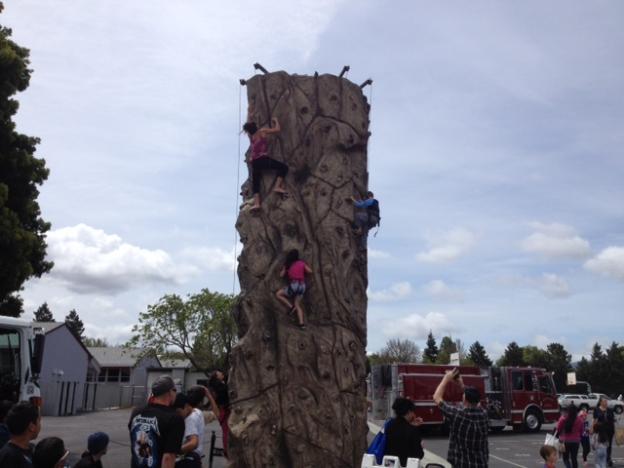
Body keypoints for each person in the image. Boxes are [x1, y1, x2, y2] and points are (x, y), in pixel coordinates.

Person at [433, 368, 489, 468]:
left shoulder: (458, 415)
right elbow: (473, 400)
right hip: (480, 464)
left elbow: (436, 397)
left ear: (465, 399)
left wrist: (446, 378)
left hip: (461, 464)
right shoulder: (484, 415)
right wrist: (461, 385)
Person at [128, 375, 185, 468]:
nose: (176, 394)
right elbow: (168, 458)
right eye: (175, 390)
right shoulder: (174, 418)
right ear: (170, 392)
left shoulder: (136, 412)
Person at [242, 115, 288, 211]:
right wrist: (275, 121)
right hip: (262, 159)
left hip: (254, 162)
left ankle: (257, 204)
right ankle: (277, 187)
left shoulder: (252, 137)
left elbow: (249, 123)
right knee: (283, 167)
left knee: (256, 183)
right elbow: (277, 129)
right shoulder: (262, 132)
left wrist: (249, 113)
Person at [275, 249, 313, 330]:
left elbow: (281, 275)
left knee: (278, 294)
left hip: (294, 285)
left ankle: (291, 307)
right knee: (297, 304)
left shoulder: (288, 265)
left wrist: (284, 269)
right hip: (302, 286)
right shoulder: (301, 263)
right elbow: (310, 271)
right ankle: (301, 324)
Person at [384, 397, 424, 467]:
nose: (414, 415)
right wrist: (421, 446)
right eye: (412, 412)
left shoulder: (389, 426)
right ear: (408, 412)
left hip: (390, 464)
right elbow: (419, 455)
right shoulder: (412, 430)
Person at [0, 401, 41, 467]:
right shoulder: (10, 457)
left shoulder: (31, 449)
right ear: (31, 427)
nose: (40, 425)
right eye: (39, 421)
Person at [556, 403, 585, 468]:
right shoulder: (580, 420)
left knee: (565, 458)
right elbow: (582, 431)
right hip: (576, 441)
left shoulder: (563, 418)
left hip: (564, 441)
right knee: (574, 458)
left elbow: (558, 429)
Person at [208, 371, 230, 458]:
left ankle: (226, 449)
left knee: (225, 430)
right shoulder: (219, 386)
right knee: (226, 430)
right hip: (224, 409)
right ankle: (226, 450)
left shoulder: (214, 386)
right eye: (220, 373)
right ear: (216, 376)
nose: (222, 374)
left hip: (222, 410)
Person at [593, 397, 615, 467]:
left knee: (609, 445)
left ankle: (608, 459)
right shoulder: (596, 410)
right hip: (601, 431)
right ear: (600, 402)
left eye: (606, 401)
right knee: (602, 445)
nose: (606, 402)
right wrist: (593, 429)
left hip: (610, 430)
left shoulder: (610, 410)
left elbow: (613, 419)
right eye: (604, 401)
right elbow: (594, 420)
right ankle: (602, 460)